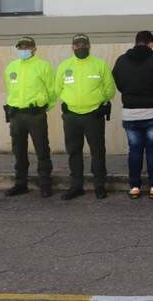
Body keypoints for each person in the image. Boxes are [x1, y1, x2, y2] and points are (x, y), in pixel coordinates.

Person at [112, 30, 153, 199]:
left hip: (130, 114)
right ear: (150, 43)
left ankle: (134, 187)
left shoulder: (121, 61)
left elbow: (119, 83)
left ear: (136, 42)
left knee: (134, 150)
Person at [54, 34, 116, 200]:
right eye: (77, 45)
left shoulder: (99, 65)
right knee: (74, 151)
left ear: (89, 46)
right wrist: (69, 101)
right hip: (71, 117)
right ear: (72, 47)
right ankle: (76, 186)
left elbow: (110, 90)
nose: (80, 47)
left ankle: (99, 186)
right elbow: (57, 89)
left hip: (93, 116)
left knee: (97, 152)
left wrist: (98, 102)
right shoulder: (64, 66)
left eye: (83, 44)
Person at [3, 36, 55, 198]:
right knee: (18, 151)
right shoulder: (11, 67)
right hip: (16, 115)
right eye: (20, 47)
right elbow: (10, 90)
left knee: (42, 150)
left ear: (34, 48)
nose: (23, 50)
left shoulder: (43, 66)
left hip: (35, 115)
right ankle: (20, 184)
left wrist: (43, 107)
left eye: (26, 47)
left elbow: (52, 91)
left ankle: (45, 184)